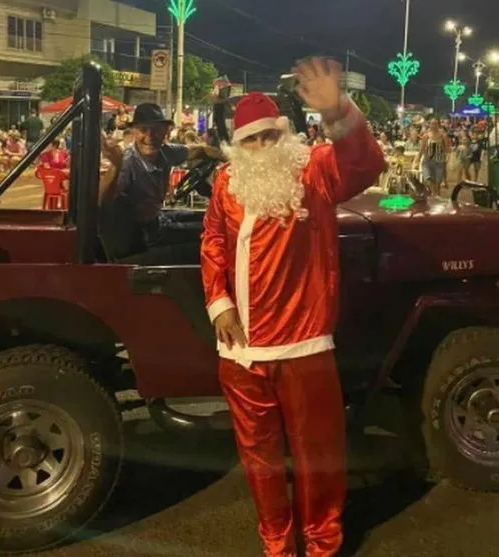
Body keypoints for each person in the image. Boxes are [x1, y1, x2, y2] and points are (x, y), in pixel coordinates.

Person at [200, 57, 385, 557]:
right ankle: (277, 544)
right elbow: (214, 242)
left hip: (304, 346)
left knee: (316, 455)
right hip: (241, 353)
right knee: (259, 460)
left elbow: (367, 164)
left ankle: (322, 544)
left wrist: (338, 112)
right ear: (236, 147)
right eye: (250, 140)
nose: (261, 148)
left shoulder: (316, 170)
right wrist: (219, 304)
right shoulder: (226, 184)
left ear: (285, 135)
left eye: (269, 137)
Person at [99, 103, 225, 264]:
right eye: (144, 130)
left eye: (157, 130)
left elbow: (195, 150)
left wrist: (224, 156)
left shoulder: (165, 152)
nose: (150, 136)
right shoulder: (127, 164)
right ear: (134, 132)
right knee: (212, 241)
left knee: (213, 222)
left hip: (158, 223)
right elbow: (101, 202)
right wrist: (115, 166)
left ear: (165, 132)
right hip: (140, 240)